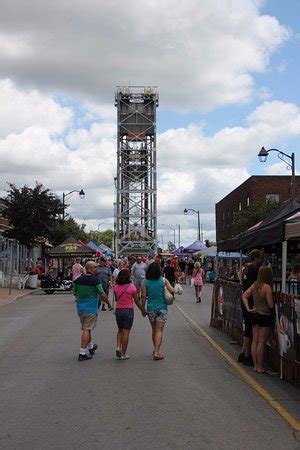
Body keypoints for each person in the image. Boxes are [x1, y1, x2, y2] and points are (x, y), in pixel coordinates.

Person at [73, 260, 112, 361]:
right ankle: (82, 353)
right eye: (95, 267)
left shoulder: (78, 280)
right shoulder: (95, 280)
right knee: (87, 329)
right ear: (90, 268)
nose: (96, 269)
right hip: (91, 309)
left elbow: (75, 293)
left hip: (80, 308)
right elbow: (102, 294)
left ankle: (91, 347)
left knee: (87, 328)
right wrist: (108, 304)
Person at [242, 266, 274, 373]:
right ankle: (260, 367)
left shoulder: (255, 285)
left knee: (254, 341)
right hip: (265, 316)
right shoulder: (267, 287)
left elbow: (244, 295)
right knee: (261, 342)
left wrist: (248, 308)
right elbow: (270, 305)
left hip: (254, 314)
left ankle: (255, 366)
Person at [141, 262, 174, 360]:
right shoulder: (163, 280)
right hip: (162, 308)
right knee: (159, 331)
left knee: (154, 330)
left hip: (151, 308)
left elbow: (143, 297)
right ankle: (157, 352)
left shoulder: (145, 282)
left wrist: (143, 308)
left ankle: (156, 349)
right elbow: (172, 290)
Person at [114, 269, 147, 360]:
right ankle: (123, 354)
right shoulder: (132, 287)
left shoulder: (116, 287)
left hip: (118, 310)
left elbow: (117, 299)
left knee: (120, 330)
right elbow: (136, 301)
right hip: (128, 310)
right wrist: (143, 310)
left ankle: (118, 347)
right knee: (126, 332)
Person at [239, 249, 264, 366]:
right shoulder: (255, 269)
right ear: (256, 257)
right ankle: (247, 356)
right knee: (250, 329)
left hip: (244, 298)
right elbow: (257, 285)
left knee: (247, 326)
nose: (262, 259)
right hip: (250, 300)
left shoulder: (246, 268)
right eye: (261, 257)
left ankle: (243, 353)